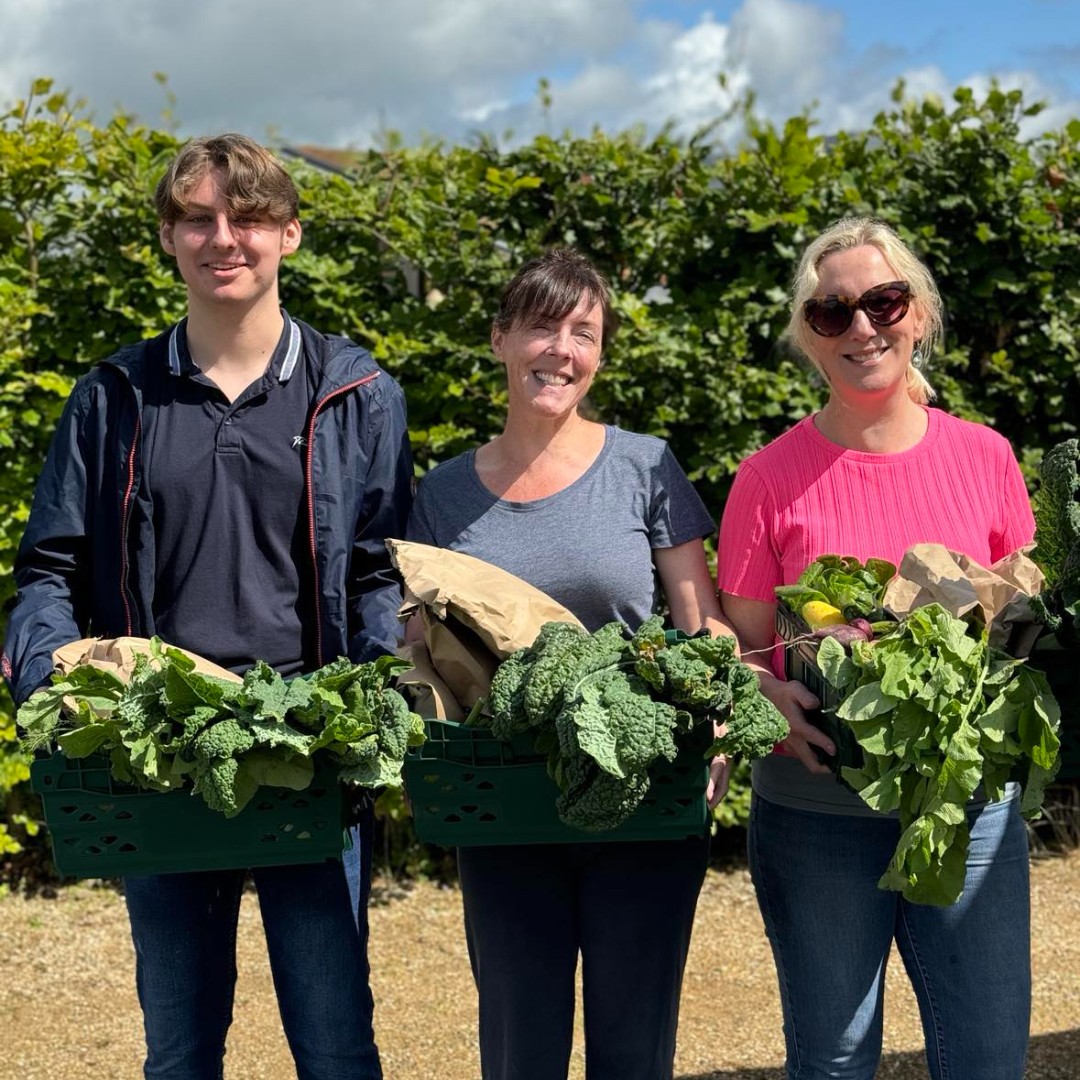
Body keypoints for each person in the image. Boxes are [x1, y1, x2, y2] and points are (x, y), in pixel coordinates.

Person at [1, 134, 412, 1080]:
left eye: (249, 218)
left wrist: (378, 691)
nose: (224, 238)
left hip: (312, 754)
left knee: (337, 1046)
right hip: (162, 751)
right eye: (198, 218)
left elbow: (381, 573)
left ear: (290, 236)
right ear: (168, 238)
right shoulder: (113, 398)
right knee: (179, 1052)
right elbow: (49, 570)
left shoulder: (357, 394)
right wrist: (55, 675)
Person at [717, 217, 1035, 1080]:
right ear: (809, 338)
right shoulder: (768, 477)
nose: (863, 327)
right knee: (833, 1061)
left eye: (883, 301)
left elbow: (1021, 618)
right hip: (817, 812)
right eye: (833, 313)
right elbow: (739, 650)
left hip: (965, 812)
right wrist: (762, 698)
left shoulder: (987, 458)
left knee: (986, 1057)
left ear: (919, 314)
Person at [406, 247, 734, 1080]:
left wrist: (723, 722)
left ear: (600, 354)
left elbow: (702, 621)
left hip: (643, 794)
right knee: (521, 1044)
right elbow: (423, 652)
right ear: (500, 340)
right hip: (505, 798)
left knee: (635, 1045)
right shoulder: (443, 493)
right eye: (542, 326)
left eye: (582, 333)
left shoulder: (645, 466)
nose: (561, 349)